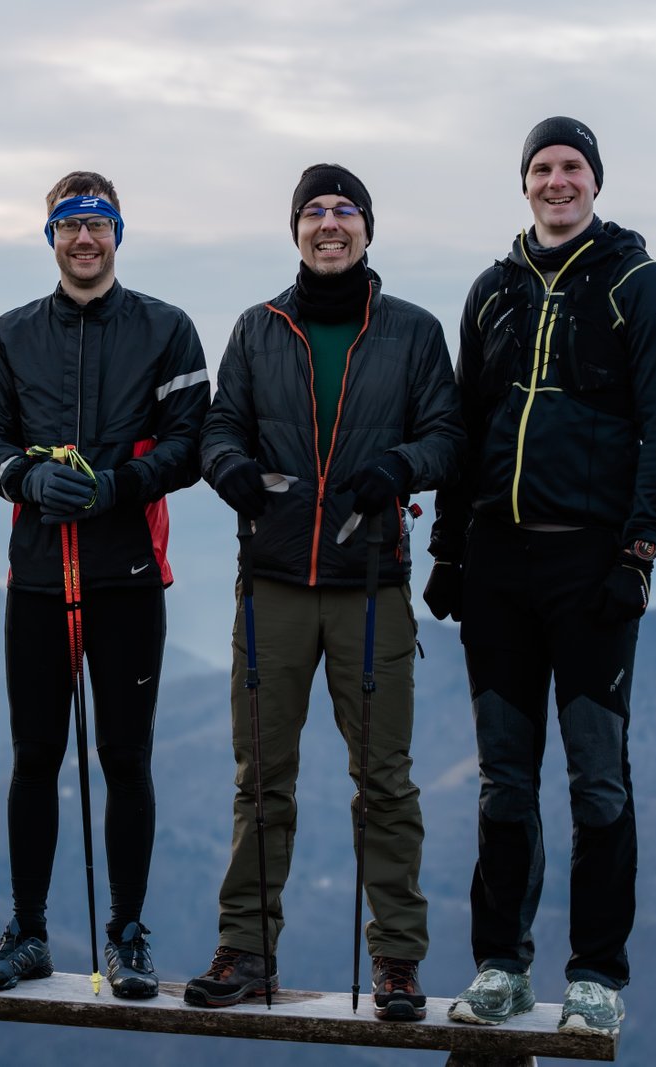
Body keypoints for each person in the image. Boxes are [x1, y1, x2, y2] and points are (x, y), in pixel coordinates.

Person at [426, 117, 656, 1036]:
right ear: (524, 184)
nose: (555, 180)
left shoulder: (635, 283)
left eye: (570, 166)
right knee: (504, 779)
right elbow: (465, 427)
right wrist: (450, 552)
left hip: (591, 562)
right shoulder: (492, 293)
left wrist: (639, 549)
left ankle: (595, 973)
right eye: (541, 167)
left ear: (594, 180)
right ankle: (501, 964)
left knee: (596, 781)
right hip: (499, 561)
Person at [184, 164, 463, 1021]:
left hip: (370, 583)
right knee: (261, 779)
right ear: (296, 230)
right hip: (271, 581)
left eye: (345, 210)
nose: (330, 224)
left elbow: (449, 434)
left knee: (385, 779)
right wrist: (227, 466)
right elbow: (221, 424)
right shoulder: (257, 328)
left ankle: (398, 962)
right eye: (315, 211)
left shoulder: (412, 333)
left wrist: (402, 466)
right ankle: (247, 951)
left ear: (369, 230)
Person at [0, 171, 209, 999]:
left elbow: (191, 442)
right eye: (68, 225)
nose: (83, 238)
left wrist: (116, 488)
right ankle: (28, 931)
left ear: (118, 234)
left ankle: (128, 937)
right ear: (50, 240)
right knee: (35, 755)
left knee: (124, 757)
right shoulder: (10, 333)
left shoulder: (167, 329)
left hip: (129, 571)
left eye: (97, 224)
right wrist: (22, 479)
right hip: (38, 574)